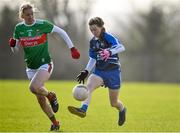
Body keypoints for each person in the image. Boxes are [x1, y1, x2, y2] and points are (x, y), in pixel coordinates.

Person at [8, 2, 80, 131]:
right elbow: (16, 50)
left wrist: (72, 48)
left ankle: (51, 95)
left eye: (32, 14)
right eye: (27, 15)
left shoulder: (42, 25)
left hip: (45, 63)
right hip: (30, 67)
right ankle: (55, 123)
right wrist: (13, 45)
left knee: (33, 87)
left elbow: (61, 32)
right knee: (40, 100)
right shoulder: (19, 28)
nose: (30, 17)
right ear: (22, 16)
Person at [68, 17, 126, 126]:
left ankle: (122, 109)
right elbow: (93, 58)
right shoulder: (93, 42)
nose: (93, 32)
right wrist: (86, 71)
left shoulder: (108, 37)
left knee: (113, 103)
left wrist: (110, 51)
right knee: (88, 87)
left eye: (95, 29)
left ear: (101, 27)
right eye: (91, 30)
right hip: (99, 71)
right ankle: (83, 109)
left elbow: (121, 47)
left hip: (113, 73)